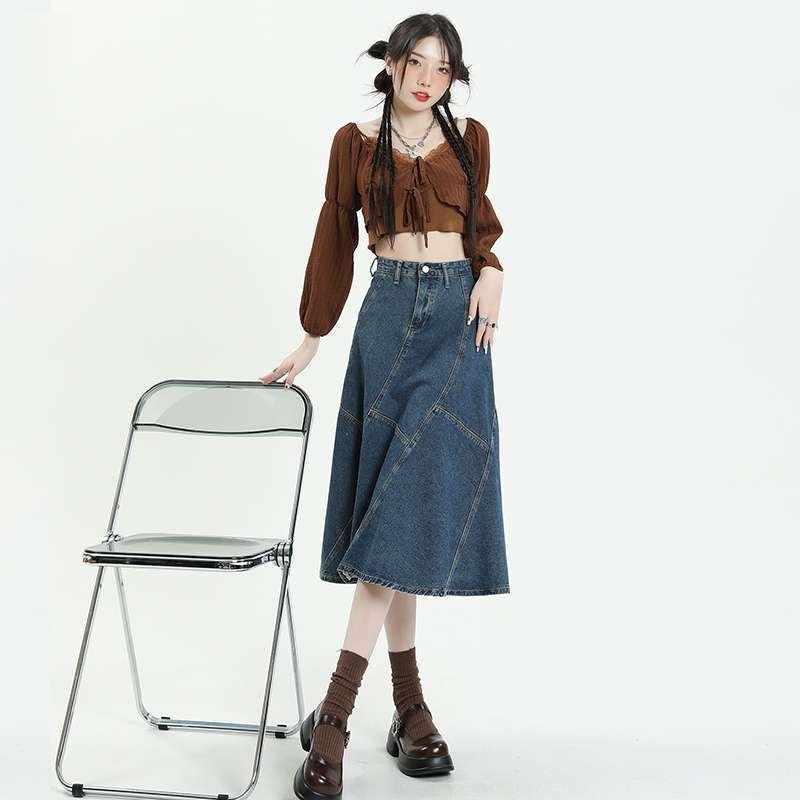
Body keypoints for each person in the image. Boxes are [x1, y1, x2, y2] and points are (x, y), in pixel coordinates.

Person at [260, 13, 510, 800]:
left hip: (457, 328)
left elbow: (481, 228)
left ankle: (335, 717)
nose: (427, 79)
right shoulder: (355, 143)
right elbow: (334, 238)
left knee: (403, 510)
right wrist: (312, 335)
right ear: (392, 64)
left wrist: (493, 270)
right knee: (390, 512)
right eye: (415, 62)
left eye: (442, 67)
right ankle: (408, 707)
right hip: (386, 321)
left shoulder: (471, 138)